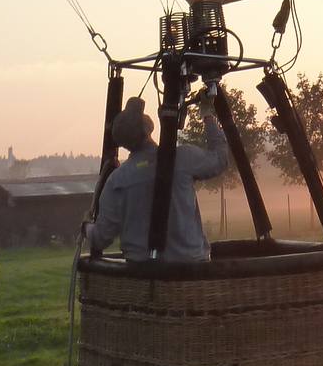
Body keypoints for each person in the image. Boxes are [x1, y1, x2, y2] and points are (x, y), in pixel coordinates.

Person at [88, 89, 229, 261]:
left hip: (142, 276)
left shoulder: (117, 180)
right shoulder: (183, 158)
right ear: (148, 128)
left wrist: (86, 227)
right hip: (191, 273)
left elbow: (100, 238)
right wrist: (207, 115)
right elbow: (220, 159)